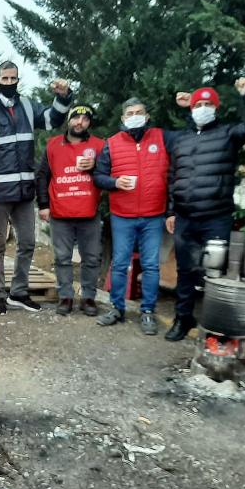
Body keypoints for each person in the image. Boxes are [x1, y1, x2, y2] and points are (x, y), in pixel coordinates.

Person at [0, 60, 72, 315]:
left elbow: (52, 120)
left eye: (13, 78)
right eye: (4, 79)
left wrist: (62, 97)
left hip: (24, 191)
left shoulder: (28, 105)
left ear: (18, 79)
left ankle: (19, 292)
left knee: (27, 242)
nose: (9, 83)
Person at [163, 81, 245, 341]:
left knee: (215, 274)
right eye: (198, 105)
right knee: (185, 271)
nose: (202, 109)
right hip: (185, 217)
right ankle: (183, 319)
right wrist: (171, 211)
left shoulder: (228, 134)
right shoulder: (180, 140)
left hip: (215, 217)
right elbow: (174, 177)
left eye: (208, 105)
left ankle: (216, 326)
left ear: (216, 108)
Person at [93, 98, 173, 335]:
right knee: (120, 264)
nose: (135, 116)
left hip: (153, 215)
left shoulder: (161, 138)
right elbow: (99, 176)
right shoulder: (112, 143)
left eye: (139, 112)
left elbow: (174, 174)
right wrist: (115, 182)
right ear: (123, 119)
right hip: (122, 215)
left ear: (147, 117)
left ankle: (147, 312)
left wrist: (171, 210)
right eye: (130, 113)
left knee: (150, 265)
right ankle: (116, 308)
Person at [36, 104, 105, 316]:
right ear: (69, 120)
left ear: (89, 123)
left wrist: (94, 166)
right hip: (60, 213)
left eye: (85, 120)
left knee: (91, 258)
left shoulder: (100, 146)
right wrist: (44, 205)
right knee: (62, 258)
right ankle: (65, 296)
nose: (80, 123)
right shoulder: (53, 145)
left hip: (89, 213)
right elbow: (42, 176)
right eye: (76, 118)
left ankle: (88, 298)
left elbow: (108, 174)